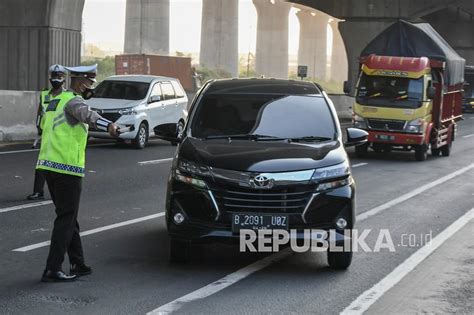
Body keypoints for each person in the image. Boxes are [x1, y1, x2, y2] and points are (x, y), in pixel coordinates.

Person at [38, 64, 120, 282]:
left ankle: (78, 263)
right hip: (67, 169)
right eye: (90, 83)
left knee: (69, 216)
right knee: (65, 218)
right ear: (81, 81)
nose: (91, 87)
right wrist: (109, 125)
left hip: (49, 166)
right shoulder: (74, 100)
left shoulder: (56, 100)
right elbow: (88, 115)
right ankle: (52, 268)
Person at [27, 64, 67, 201]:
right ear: (50, 78)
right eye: (54, 76)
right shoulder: (44, 94)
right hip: (47, 136)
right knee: (42, 163)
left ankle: (61, 191)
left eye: (59, 76)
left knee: (59, 165)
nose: (56, 79)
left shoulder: (68, 96)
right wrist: (38, 126)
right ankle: (38, 191)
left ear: (64, 78)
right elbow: (40, 111)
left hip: (62, 137)